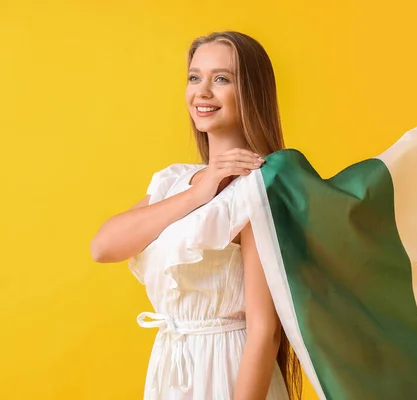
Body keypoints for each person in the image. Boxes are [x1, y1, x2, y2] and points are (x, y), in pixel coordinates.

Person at [90, 31, 302, 400]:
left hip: (227, 371)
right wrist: (199, 190)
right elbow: (103, 247)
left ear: (251, 92)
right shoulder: (174, 181)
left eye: (221, 79)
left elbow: (265, 329)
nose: (202, 91)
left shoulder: (256, 189)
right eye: (194, 77)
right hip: (172, 367)